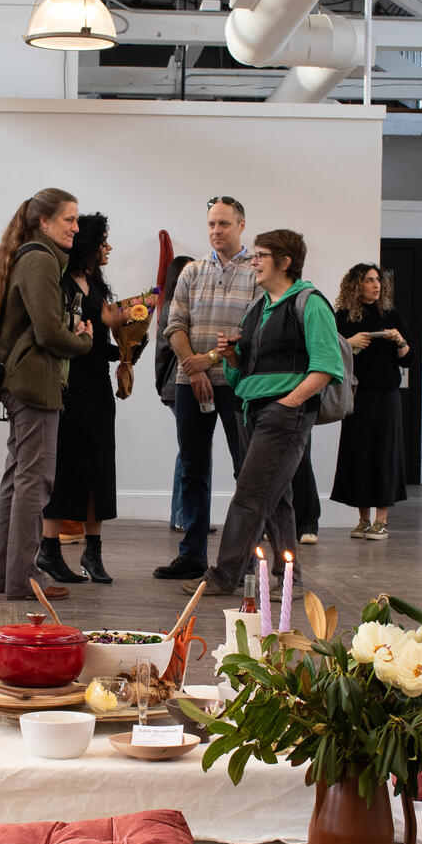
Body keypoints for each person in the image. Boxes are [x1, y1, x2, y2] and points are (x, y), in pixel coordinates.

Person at [186, 229, 344, 597]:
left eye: (260, 255)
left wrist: (288, 403)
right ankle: (289, 576)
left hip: (282, 415)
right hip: (251, 411)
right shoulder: (258, 307)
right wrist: (230, 358)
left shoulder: (310, 302)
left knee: (251, 494)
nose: (253, 261)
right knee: (276, 498)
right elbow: (242, 375)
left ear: (285, 262)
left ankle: (225, 575)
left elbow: (326, 366)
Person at [0, 188, 94, 600]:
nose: (76, 228)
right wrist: (83, 341)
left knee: (16, 480)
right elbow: (49, 333)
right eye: (69, 219)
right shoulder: (41, 259)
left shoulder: (29, 255)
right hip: (35, 382)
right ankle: (24, 579)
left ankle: (5, 578)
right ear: (44, 222)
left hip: (22, 381)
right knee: (35, 482)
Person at [155, 196, 259, 580]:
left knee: (244, 471)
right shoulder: (192, 272)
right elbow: (174, 325)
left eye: (225, 224)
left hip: (236, 383)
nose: (217, 231)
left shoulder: (255, 273)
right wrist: (192, 367)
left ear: (241, 225)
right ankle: (192, 554)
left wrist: (210, 362)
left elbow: (252, 333)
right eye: (212, 224)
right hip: (190, 382)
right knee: (193, 469)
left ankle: (244, 556)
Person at [39, 213, 130, 586]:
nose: (108, 247)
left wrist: (125, 342)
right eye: (103, 241)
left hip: (98, 391)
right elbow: (62, 339)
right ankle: (49, 549)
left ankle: (93, 552)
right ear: (89, 245)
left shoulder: (97, 285)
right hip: (68, 389)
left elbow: (98, 347)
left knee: (99, 471)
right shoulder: (60, 283)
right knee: (64, 471)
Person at [330, 262, 411, 540]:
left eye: (378, 280)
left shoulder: (391, 315)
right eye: (369, 280)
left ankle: (382, 520)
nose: (376, 285)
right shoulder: (341, 318)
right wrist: (349, 343)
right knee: (359, 454)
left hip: (387, 396)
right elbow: (328, 352)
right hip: (355, 395)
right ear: (356, 285)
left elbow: (409, 358)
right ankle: (363, 520)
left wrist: (400, 341)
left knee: (384, 454)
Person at [155, 253, 194, 530]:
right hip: (178, 385)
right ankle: (183, 516)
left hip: (174, 386)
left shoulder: (171, 305)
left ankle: (182, 516)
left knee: (190, 450)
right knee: (191, 451)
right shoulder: (173, 307)